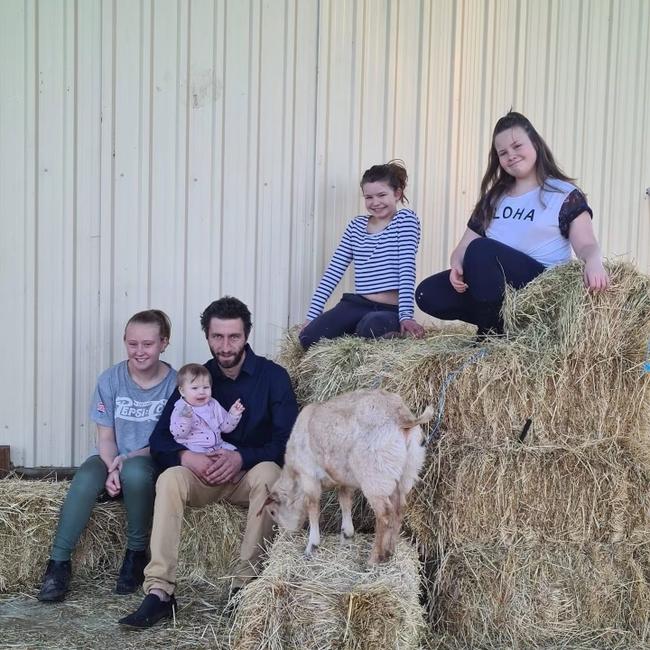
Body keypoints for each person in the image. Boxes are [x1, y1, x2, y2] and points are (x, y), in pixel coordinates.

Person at [119, 296, 298, 628]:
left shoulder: (273, 377)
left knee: (272, 475)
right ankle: (160, 591)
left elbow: (287, 441)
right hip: (202, 476)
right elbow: (160, 439)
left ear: (247, 335)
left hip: (247, 476)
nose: (225, 345)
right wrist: (187, 456)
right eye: (218, 337)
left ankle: (245, 586)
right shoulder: (194, 379)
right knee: (170, 478)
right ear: (207, 336)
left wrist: (242, 456)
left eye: (233, 336)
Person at [416, 111, 610, 336]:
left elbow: (585, 243)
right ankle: (505, 327)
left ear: (535, 143)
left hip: (541, 290)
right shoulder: (494, 198)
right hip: (495, 288)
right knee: (428, 293)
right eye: (503, 153)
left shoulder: (563, 194)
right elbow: (463, 246)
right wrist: (457, 264)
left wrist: (594, 261)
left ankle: (491, 335)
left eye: (517, 146)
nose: (511, 155)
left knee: (482, 251)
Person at [38, 310, 176, 602]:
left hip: (148, 458)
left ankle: (136, 553)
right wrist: (112, 468)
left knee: (135, 472)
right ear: (124, 342)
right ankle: (58, 563)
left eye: (148, 344)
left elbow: (168, 440)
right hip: (111, 455)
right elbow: (106, 437)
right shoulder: (111, 379)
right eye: (132, 343)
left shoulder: (174, 384)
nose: (139, 351)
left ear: (164, 342)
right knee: (87, 476)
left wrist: (127, 462)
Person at [299, 160, 425, 349]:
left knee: (372, 328)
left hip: (388, 308)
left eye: (382, 195)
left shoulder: (405, 221)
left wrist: (406, 316)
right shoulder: (356, 226)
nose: (375, 203)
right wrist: (312, 316)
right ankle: (350, 328)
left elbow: (406, 269)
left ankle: (376, 329)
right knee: (308, 338)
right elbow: (333, 272)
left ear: (397, 193)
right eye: (369, 197)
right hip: (356, 304)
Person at [170, 363, 246, 483]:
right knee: (207, 463)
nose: (201, 392)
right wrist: (186, 419)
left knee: (234, 452)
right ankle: (209, 479)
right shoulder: (181, 408)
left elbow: (225, 427)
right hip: (195, 448)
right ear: (182, 391)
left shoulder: (213, 404)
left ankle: (234, 475)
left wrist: (233, 414)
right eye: (195, 388)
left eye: (206, 387)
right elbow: (178, 433)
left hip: (217, 445)